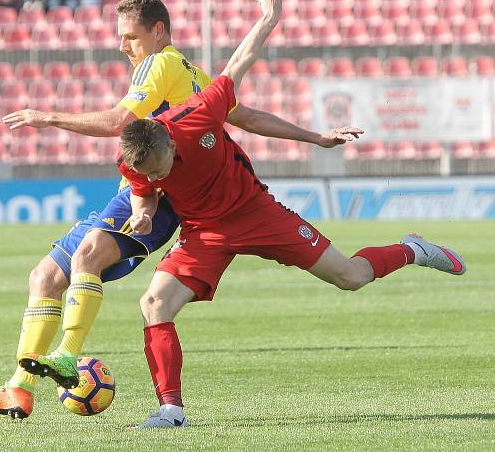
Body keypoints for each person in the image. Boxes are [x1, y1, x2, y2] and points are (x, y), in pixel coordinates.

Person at [0, 0, 302, 419]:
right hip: (133, 191)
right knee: (45, 277)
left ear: (159, 31)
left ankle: (68, 354)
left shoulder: (158, 64)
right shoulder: (191, 73)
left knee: (88, 256)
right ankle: (19, 388)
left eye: (131, 36)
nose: (123, 46)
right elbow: (247, 117)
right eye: (120, 36)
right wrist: (314, 137)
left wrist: (48, 117)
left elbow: (119, 122)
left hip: (157, 196)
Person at [115, 41, 467, 428]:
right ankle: (171, 412)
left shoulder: (199, 113)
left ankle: (412, 249)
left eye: (157, 168)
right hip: (204, 232)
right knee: (154, 304)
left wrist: (267, 21)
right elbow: (143, 198)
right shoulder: (135, 159)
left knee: (351, 276)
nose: (153, 177)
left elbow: (238, 65)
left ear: (168, 141)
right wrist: (143, 216)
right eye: (146, 172)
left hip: (256, 213)